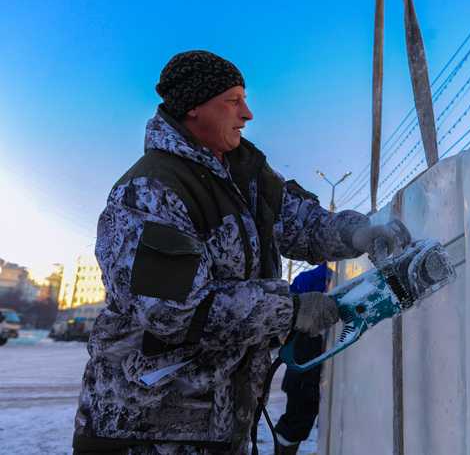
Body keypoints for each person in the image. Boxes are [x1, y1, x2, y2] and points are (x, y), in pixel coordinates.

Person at [72, 50, 410, 455]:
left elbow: (301, 222)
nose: (247, 113)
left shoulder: (246, 177)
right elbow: (172, 311)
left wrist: (358, 233)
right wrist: (292, 309)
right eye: (233, 100)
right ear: (194, 108)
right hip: (147, 430)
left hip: (219, 425)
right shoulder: (150, 191)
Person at [272, 263, 333, 455]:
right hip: (305, 358)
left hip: (303, 361)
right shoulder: (320, 277)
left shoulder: (311, 278)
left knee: (300, 415)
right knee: (299, 416)